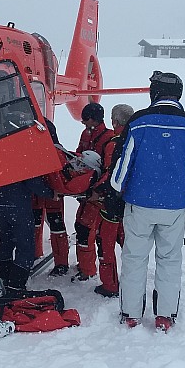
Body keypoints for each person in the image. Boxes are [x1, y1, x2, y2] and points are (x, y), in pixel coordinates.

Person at [110, 71, 185, 332]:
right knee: (169, 259)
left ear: (154, 92)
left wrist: (115, 193)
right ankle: (165, 316)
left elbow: (122, 164)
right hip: (175, 208)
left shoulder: (139, 122)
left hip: (139, 205)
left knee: (134, 258)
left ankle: (131, 314)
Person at [84, 103, 135, 298]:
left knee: (105, 243)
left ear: (114, 121)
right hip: (131, 204)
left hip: (112, 204)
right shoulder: (137, 139)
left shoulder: (114, 143)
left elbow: (111, 174)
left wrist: (96, 191)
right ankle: (132, 283)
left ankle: (110, 285)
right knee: (129, 246)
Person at [71, 102, 114, 281]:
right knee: (80, 227)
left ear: (94, 119)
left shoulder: (109, 138)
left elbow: (109, 169)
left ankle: (88, 271)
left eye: (85, 120)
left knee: (87, 230)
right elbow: (80, 153)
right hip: (87, 192)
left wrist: (98, 190)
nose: (83, 123)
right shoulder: (86, 134)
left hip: (98, 195)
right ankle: (84, 265)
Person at [0, 176, 56, 295]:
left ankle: (3, 277)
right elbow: (33, 182)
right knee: (25, 247)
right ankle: (16, 285)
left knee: (6, 241)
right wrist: (51, 193)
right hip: (18, 206)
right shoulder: (21, 159)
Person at [34, 119, 71, 276]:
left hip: (46, 194)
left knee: (53, 227)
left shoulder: (52, 152)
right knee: (54, 227)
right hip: (48, 194)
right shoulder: (57, 151)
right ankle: (57, 261)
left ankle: (60, 263)